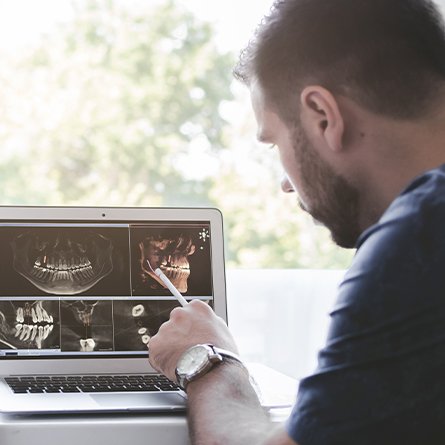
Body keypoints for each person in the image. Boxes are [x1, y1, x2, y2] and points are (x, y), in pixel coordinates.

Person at [148, 0, 445, 443]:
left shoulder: (418, 238)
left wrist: (206, 359)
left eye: (275, 143)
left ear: (324, 117)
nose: (286, 184)